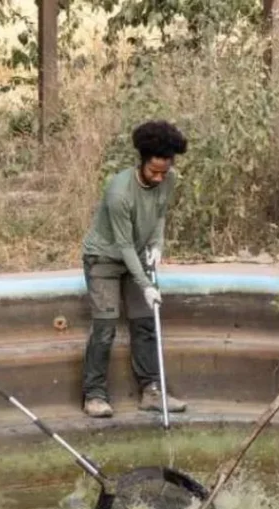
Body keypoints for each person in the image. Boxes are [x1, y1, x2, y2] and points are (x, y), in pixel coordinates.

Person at [80, 120, 188, 418]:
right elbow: (124, 244)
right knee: (105, 326)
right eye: (153, 171)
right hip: (103, 258)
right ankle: (94, 394)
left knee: (145, 323)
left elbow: (160, 214)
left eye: (164, 172)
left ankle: (152, 391)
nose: (158, 178)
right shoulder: (119, 192)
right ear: (141, 162)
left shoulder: (168, 180)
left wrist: (157, 245)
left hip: (137, 256)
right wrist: (147, 284)